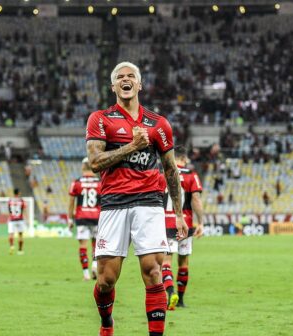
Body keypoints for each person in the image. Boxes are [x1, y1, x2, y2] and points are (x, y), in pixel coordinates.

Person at [86, 61, 188, 336]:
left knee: (154, 271)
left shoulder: (159, 124)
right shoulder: (100, 119)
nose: (126, 79)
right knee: (106, 279)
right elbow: (95, 163)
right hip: (114, 203)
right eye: (120, 77)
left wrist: (178, 214)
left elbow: (170, 170)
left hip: (149, 203)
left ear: (139, 85)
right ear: (113, 87)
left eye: (131, 76)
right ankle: (107, 324)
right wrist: (132, 146)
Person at [161, 146, 204, 310]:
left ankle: (171, 292)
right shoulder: (191, 175)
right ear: (184, 159)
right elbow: (196, 199)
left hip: (166, 223)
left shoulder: (163, 173)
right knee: (184, 260)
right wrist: (201, 222)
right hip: (185, 224)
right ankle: (181, 300)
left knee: (166, 261)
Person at [67, 157, 101, 281]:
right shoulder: (99, 183)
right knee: (96, 244)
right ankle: (95, 265)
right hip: (97, 217)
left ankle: (86, 274)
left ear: (82, 167)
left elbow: (71, 202)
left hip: (81, 217)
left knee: (83, 245)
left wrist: (70, 219)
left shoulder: (76, 183)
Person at [8, 188, 27, 255]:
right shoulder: (21, 200)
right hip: (20, 219)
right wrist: (26, 217)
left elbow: (9, 210)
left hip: (12, 219)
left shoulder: (10, 200)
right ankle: (20, 250)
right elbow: (24, 209)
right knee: (20, 235)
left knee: (11, 234)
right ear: (18, 193)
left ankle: (12, 246)